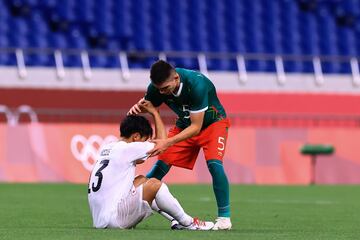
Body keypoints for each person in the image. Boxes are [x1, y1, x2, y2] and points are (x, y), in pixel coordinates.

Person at [128, 60, 232, 230]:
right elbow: (149, 104)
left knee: (214, 164)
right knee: (162, 161)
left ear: (176, 78)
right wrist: (137, 107)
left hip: (213, 124)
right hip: (185, 124)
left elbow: (196, 127)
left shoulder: (196, 84)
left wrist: (167, 142)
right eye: (159, 89)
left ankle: (224, 218)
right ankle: (133, 206)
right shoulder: (156, 87)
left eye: (165, 88)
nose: (162, 92)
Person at [88, 102, 214, 230]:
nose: (146, 143)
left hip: (100, 220)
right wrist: (155, 113)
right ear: (136, 136)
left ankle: (176, 220)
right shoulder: (129, 148)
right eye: (145, 140)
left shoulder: (108, 148)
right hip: (114, 220)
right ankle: (189, 223)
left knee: (141, 180)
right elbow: (163, 145)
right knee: (154, 184)